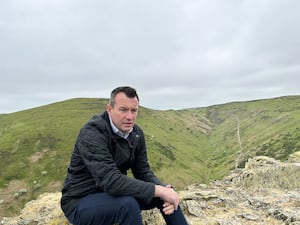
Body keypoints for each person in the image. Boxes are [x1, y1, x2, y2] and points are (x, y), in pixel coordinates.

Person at [61, 86, 189, 225]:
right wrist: (158, 190)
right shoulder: (92, 133)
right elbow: (111, 181)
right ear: (109, 109)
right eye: (123, 110)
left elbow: (143, 171)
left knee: (167, 193)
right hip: (80, 201)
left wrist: (164, 190)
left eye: (134, 110)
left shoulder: (136, 134)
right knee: (128, 205)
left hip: (113, 195)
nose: (129, 116)